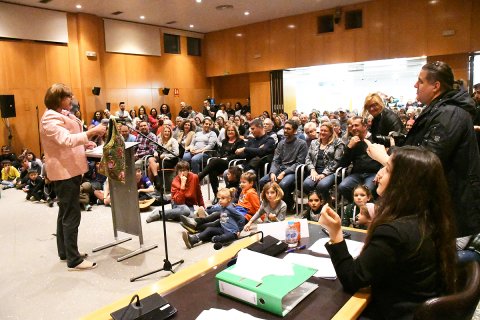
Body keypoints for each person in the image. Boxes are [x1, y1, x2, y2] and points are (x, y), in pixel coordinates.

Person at [319, 146, 456, 319]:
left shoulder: (394, 232)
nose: (379, 174)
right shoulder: (432, 218)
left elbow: (353, 279)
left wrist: (336, 233)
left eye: (387, 169)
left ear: (404, 182)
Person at [371, 61, 480, 243]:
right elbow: (417, 146)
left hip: (454, 211)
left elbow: (428, 160)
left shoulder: (451, 113)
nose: (415, 85)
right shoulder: (439, 109)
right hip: (441, 204)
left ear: (436, 86)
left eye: (420, 81)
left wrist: (387, 159)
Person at [40, 83, 106, 271]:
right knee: (71, 214)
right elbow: (66, 140)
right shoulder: (50, 118)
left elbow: (69, 139)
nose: (72, 99)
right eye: (68, 97)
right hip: (64, 172)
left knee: (64, 212)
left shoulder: (62, 114)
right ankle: (74, 260)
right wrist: (92, 132)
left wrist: (84, 145)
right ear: (59, 99)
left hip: (70, 169)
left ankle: (66, 252)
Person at [259, 119, 308, 210]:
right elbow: (276, 160)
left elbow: (299, 163)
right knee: (262, 181)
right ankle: (270, 205)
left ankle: (289, 205)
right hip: (280, 169)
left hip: (293, 171)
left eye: (288, 129)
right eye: (285, 128)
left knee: (283, 184)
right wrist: (272, 173)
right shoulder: (281, 143)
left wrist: (284, 173)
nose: (285, 131)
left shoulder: (302, 144)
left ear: (294, 131)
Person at [182, 188, 246, 249]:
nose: (220, 200)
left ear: (229, 199)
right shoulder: (222, 207)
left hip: (232, 232)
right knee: (209, 229)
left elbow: (242, 218)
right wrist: (205, 210)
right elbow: (214, 208)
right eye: (219, 198)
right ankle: (193, 240)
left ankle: (213, 238)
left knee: (223, 238)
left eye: (223, 198)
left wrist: (239, 230)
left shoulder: (230, 208)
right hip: (223, 229)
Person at [338, 116, 382, 203]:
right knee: (343, 186)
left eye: (356, 125)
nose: (353, 128)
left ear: (365, 126)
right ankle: (356, 208)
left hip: (373, 174)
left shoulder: (375, 139)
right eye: (352, 126)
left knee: (366, 191)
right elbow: (343, 164)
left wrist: (381, 171)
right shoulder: (352, 141)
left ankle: (368, 211)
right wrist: (349, 147)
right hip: (357, 174)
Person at [197, 123, 245, 196]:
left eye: (232, 130)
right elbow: (221, 153)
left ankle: (199, 177)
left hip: (233, 164)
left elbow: (240, 155)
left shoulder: (240, 141)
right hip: (223, 163)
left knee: (215, 161)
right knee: (212, 171)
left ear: (235, 132)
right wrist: (221, 157)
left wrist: (227, 158)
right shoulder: (224, 141)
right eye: (228, 130)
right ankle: (216, 194)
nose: (230, 132)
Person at [303, 122, 344, 203]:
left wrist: (324, 174)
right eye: (321, 130)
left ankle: (327, 204)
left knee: (321, 185)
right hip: (315, 171)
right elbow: (308, 158)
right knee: (307, 184)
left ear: (330, 133)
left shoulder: (338, 143)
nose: (322, 132)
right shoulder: (314, 142)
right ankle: (318, 203)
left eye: (325, 131)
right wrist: (312, 170)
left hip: (331, 172)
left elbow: (336, 161)